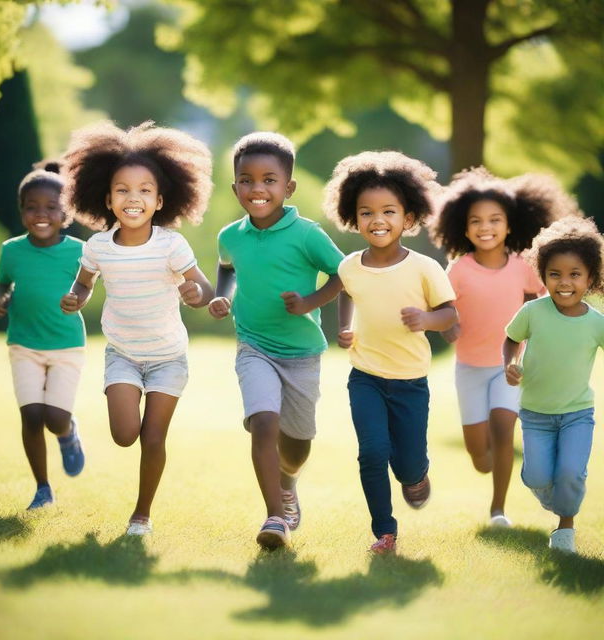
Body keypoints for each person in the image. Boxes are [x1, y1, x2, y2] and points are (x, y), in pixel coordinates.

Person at [60, 121, 214, 536]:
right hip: (123, 355)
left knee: (153, 439)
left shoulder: (170, 245)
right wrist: (76, 297)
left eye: (145, 190)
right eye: (123, 190)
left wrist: (196, 295)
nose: (134, 198)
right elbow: (85, 282)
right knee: (126, 435)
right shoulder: (98, 247)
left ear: (160, 200)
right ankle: (136, 489)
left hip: (168, 358)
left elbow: (201, 285)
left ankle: (141, 515)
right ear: (107, 199)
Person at [208, 132, 344, 550]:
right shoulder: (230, 235)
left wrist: (310, 303)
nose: (257, 189)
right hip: (254, 346)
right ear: (235, 188)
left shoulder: (307, 235)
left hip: (303, 354)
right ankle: (274, 517)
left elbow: (344, 274)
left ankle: (288, 482)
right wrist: (222, 297)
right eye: (246, 180)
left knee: (298, 446)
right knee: (264, 423)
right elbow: (227, 268)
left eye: (269, 180)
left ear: (288, 187)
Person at [323, 151, 457, 554]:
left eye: (388, 211)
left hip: (410, 382)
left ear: (408, 218)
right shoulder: (350, 265)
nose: (377, 220)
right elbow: (346, 291)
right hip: (365, 376)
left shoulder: (424, 268)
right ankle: (385, 531)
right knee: (372, 453)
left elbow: (449, 314)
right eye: (366, 212)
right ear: (353, 217)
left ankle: (416, 476)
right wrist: (346, 327)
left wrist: (425, 319)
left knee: (408, 464)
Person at [430, 168, 578, 527]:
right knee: (479, 453)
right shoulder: (458, 270)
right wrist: (449, 329)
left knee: (503, 426)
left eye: (495, 220)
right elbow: (444, 311)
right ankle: (486, 459)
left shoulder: (522, 267)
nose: (486, 227)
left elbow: (541, 301)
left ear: (509, 225)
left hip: (508, 366)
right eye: (476, 221)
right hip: (469, 368)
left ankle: (498, 509)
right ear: (463, 229)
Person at [0, 161, 86, 510]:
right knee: (31, 416)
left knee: (54, 418)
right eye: (32, 207)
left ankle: (67, 432)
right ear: (22, 211)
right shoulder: (12, 250)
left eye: (50, 207)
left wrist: (79, 298)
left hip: (66, 346)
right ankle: (43, 489)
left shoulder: (78, 250)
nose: (40, 214)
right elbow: (3, 283)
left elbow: (89, 283)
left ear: (66, 213)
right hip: (23, 344)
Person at [503, 216, 604, 553]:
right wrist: (510, 363)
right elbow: (510, 338)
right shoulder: (533, 311)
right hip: (535, 415)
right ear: (544, 275)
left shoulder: (596, 323)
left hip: (577, 414)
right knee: (536, 478)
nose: (564, 282)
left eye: (575, 275)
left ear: (590, 278)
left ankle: (565, 528)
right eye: (555, 274)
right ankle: (558, 499)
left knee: (571, 473)